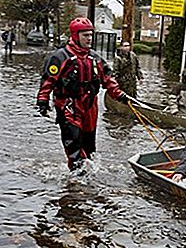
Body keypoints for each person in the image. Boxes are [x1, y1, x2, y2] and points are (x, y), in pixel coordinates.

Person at [36, 17, 129, 170]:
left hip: (90, 106)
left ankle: (88, 178)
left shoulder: (95, 58)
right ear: (75, 35)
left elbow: (107, 79)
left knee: (89, 147)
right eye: (85, 35)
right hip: (69, 106)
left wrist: (119, 95)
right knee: (74, 144)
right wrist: (43, 101)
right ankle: (77, 181)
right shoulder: (60, 57)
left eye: (91, 35)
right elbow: (48, 81)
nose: (89, 38)